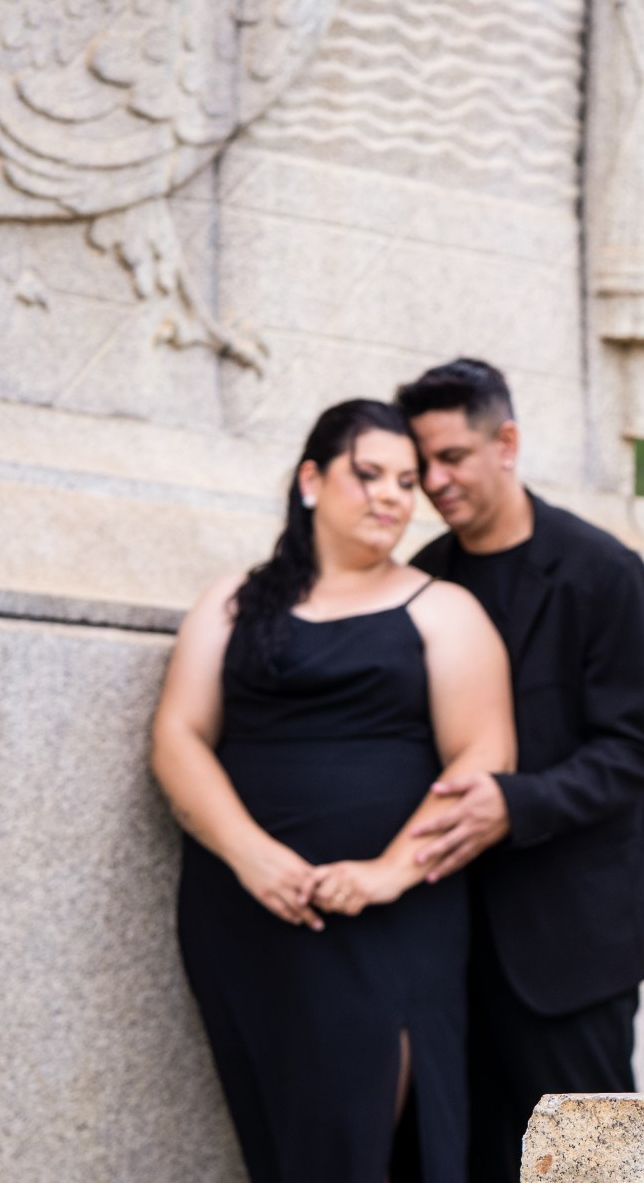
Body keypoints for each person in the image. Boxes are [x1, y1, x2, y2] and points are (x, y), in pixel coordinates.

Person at [151, 400, 516, 1183]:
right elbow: (177, 736)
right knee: (282, 1148)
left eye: (406, 481)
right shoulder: (232, 602)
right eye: (369, 473)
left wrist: (386, 873)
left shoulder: (443, 610)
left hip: (392, 919)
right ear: (312, 480)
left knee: (359, 1144)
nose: (391, 495)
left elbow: (484, 757)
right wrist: (251, 856)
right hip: (245, 911)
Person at [393, 359, 644, 1183]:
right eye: (422, 463)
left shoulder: (605, 571)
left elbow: (636, 750)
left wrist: (512, 804)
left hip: (571, 944)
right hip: (445, 941)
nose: (435, 480)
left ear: (506, 442)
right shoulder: (421, 577)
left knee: (591, 1163)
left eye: (452, 456)